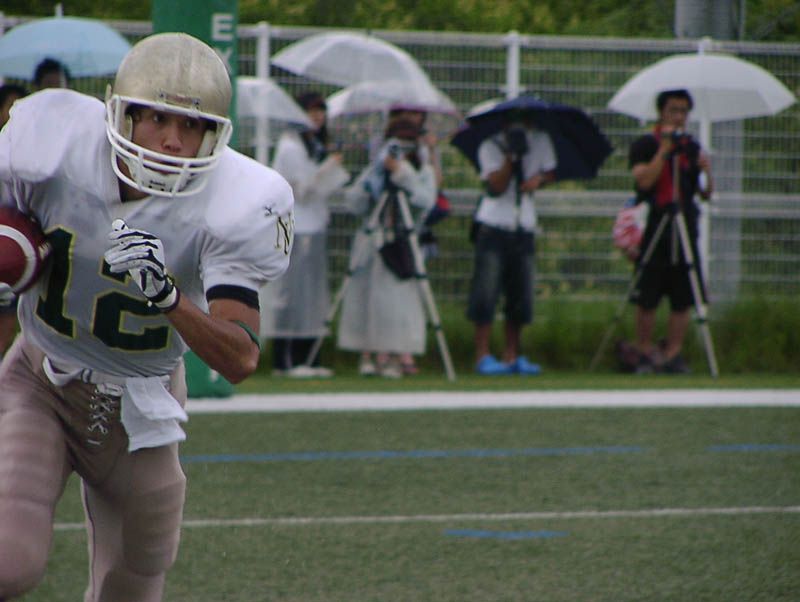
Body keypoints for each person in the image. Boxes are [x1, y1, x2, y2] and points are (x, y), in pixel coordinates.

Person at [0, 32, 293, 601]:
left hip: (143, 404)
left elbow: (240, 357)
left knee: (135, 585)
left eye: (192, 125)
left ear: (216, 134)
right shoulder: (53, 144)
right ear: (122, 113)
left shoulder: (237, 201)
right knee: (10, 562)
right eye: (157, 118)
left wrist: (170, 298)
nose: (173, 140)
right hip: (42, 380)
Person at [337, 118, 437, 378]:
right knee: (365, 299)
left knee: (397, 303)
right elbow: (354, 203)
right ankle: (367, 355)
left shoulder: (421, 171)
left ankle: (395, 355)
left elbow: (426, 203)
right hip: (373, 239)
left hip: (403, 241)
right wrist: (375, 180)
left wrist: (404, 175)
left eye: (407, 142)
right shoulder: (376, 169)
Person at [259, 91, 348, 378]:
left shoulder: (313, 145)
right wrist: (330, 168)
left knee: (311, 295)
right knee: (292, 293)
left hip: (314, 225)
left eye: (321, 111)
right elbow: (303, 191)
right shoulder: (291, 147)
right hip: (297, 228)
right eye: (312, 111)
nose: (318, 117)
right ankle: (285, 360)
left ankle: (308, 357)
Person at [625, 88, 712, 374]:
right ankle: (644, 351)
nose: (678, 117)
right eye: (673, 110)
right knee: (647, 292)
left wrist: (706, 171)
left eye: (683, 112)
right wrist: (664, 150)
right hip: (656, 221)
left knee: (682, 294)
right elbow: (643, 181)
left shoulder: (691, 148)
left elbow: (705, 193)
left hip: (684, 222)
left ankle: (673, 353)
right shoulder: (645, 145)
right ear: (661, 112)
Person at [467, 111, 556, 375]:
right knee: (485, 292)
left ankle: (512, 355)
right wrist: (511, 155)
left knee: (521, 295)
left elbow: (550, 171)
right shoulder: (489, 145)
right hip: (493, 226)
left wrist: (538, 179)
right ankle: (482, 356)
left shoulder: (541, 140)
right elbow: (495, 187)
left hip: (524, 226)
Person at [0, 84, 28, 363]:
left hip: (12, 247)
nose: (15, 113)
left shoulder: (30, 154)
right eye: (11, 106)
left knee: (7, 324)